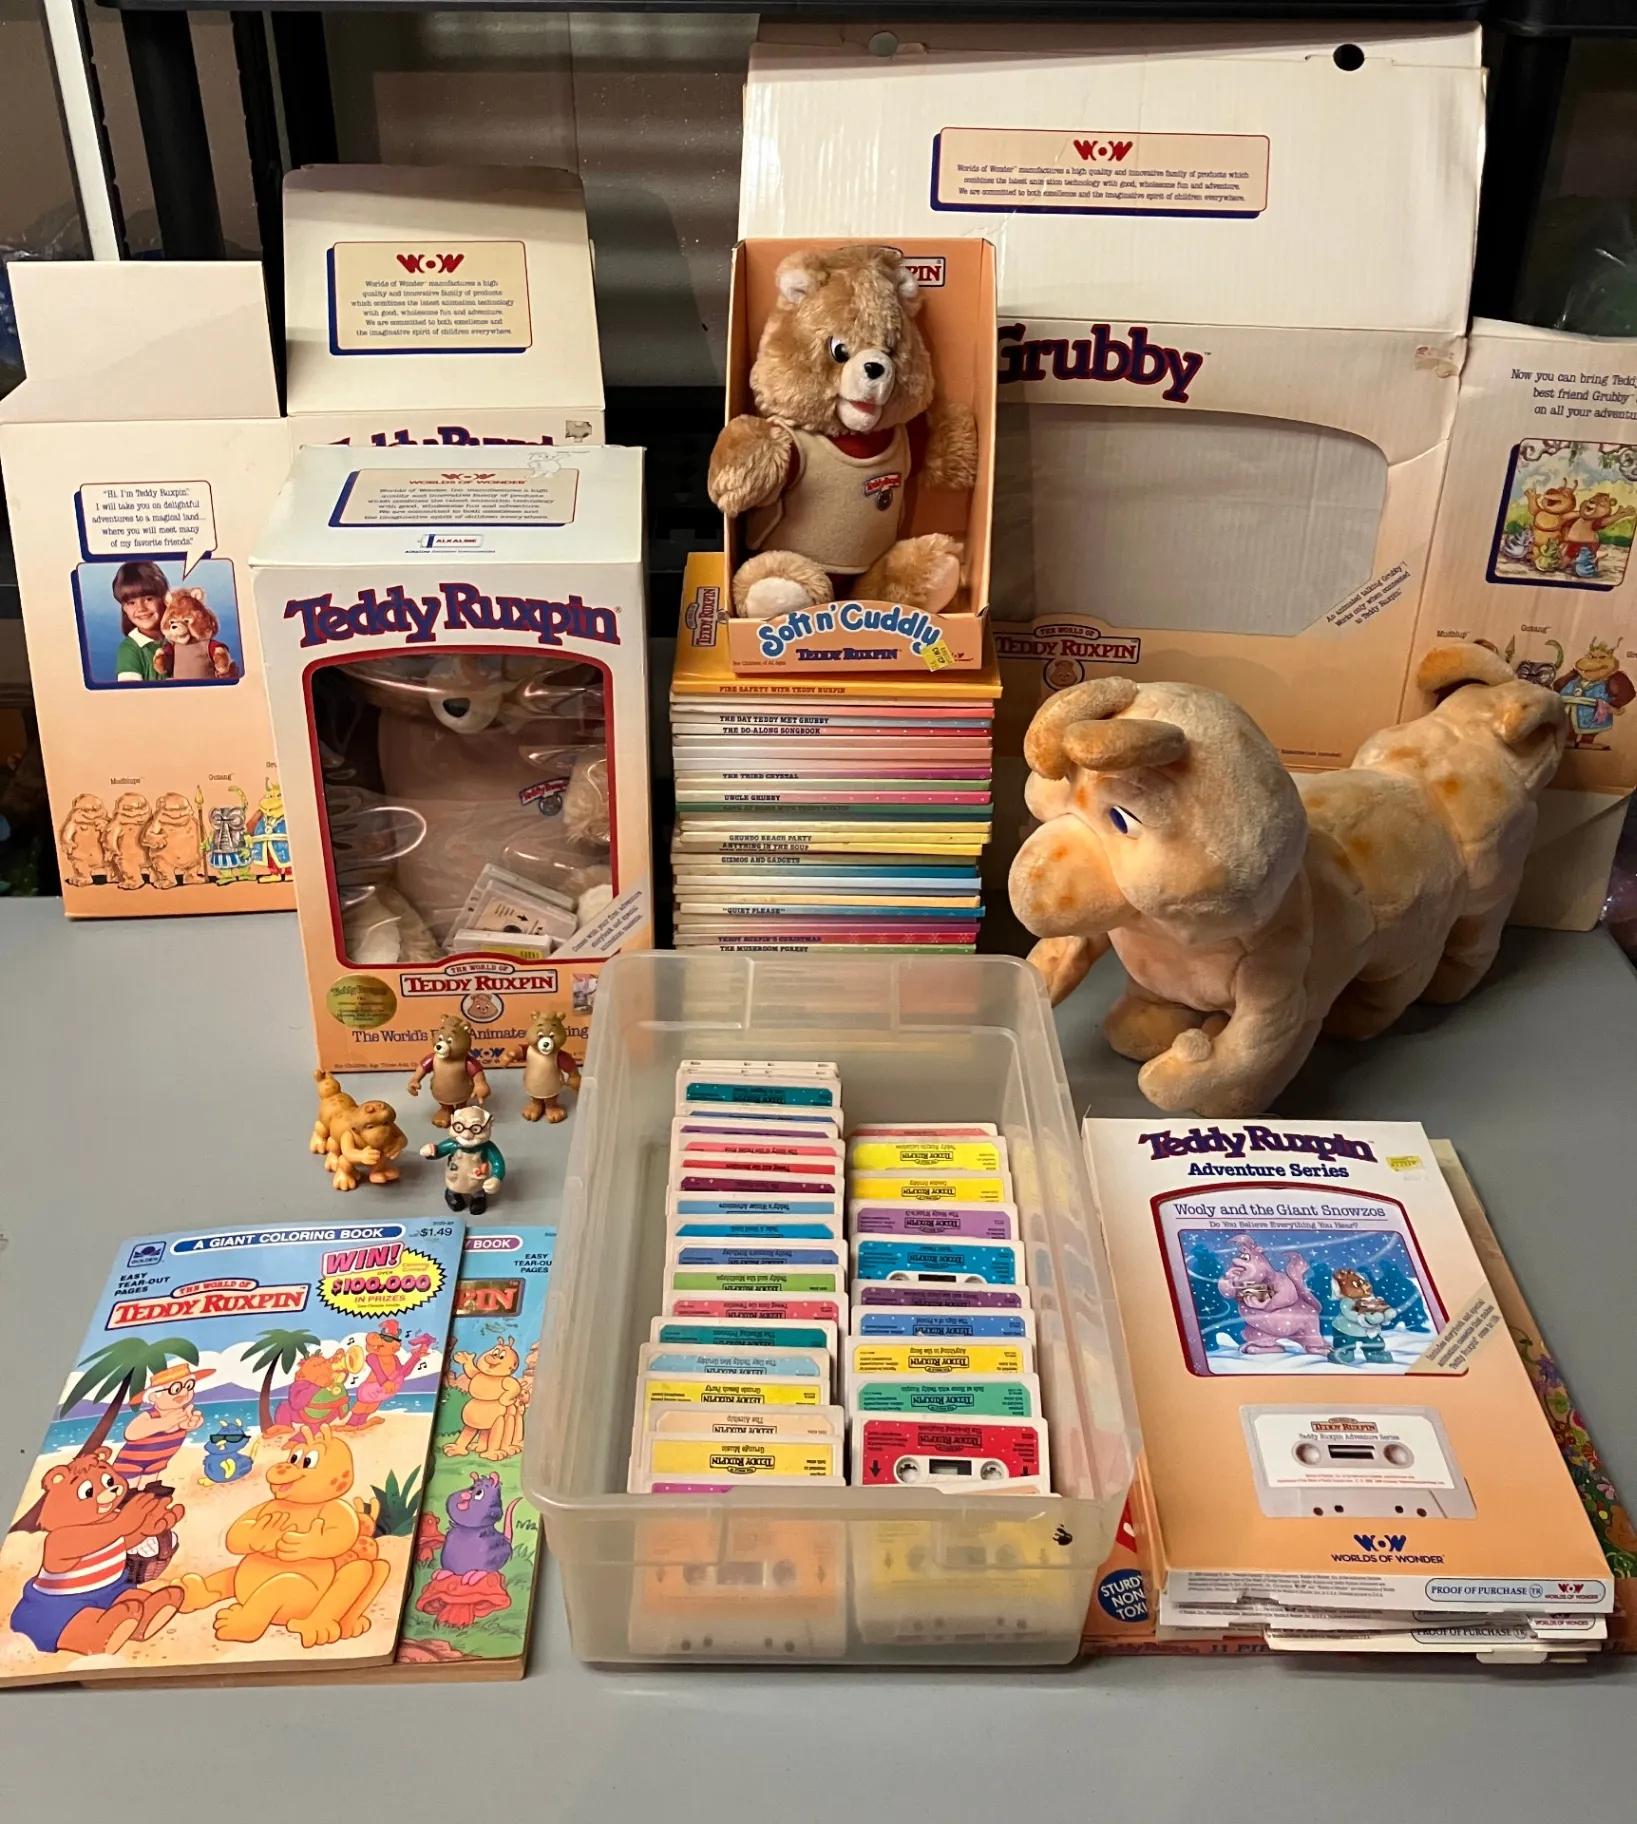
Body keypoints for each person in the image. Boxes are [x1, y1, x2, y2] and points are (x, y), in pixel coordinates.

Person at [110, 561, 170, 683]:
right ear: (124, 608)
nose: (141, 608)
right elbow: (130, 693)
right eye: (131, 603)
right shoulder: (129, 650)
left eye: (148, 599)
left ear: (165, 599)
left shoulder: (178, 637)